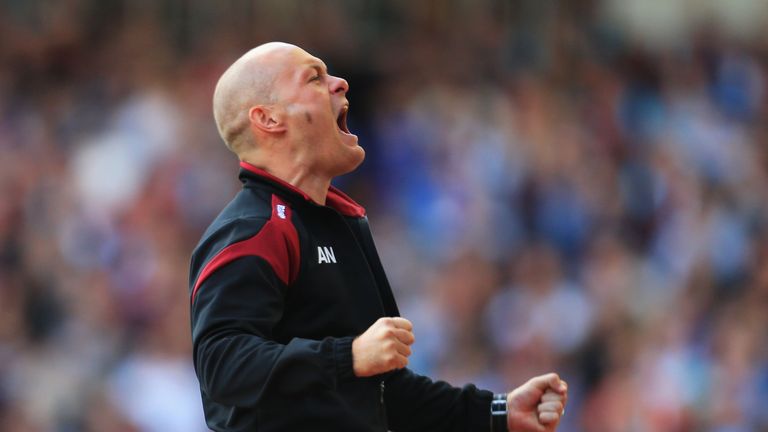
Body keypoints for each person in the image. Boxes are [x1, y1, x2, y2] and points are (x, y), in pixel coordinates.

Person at [189, 42, 568, 432]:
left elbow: (387, 391)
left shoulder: (346, 224)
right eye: (315, 78)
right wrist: (348, 356)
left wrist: (497, 413)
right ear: (267, 118)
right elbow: (223, 364)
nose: (340, 83)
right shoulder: (256, 227)